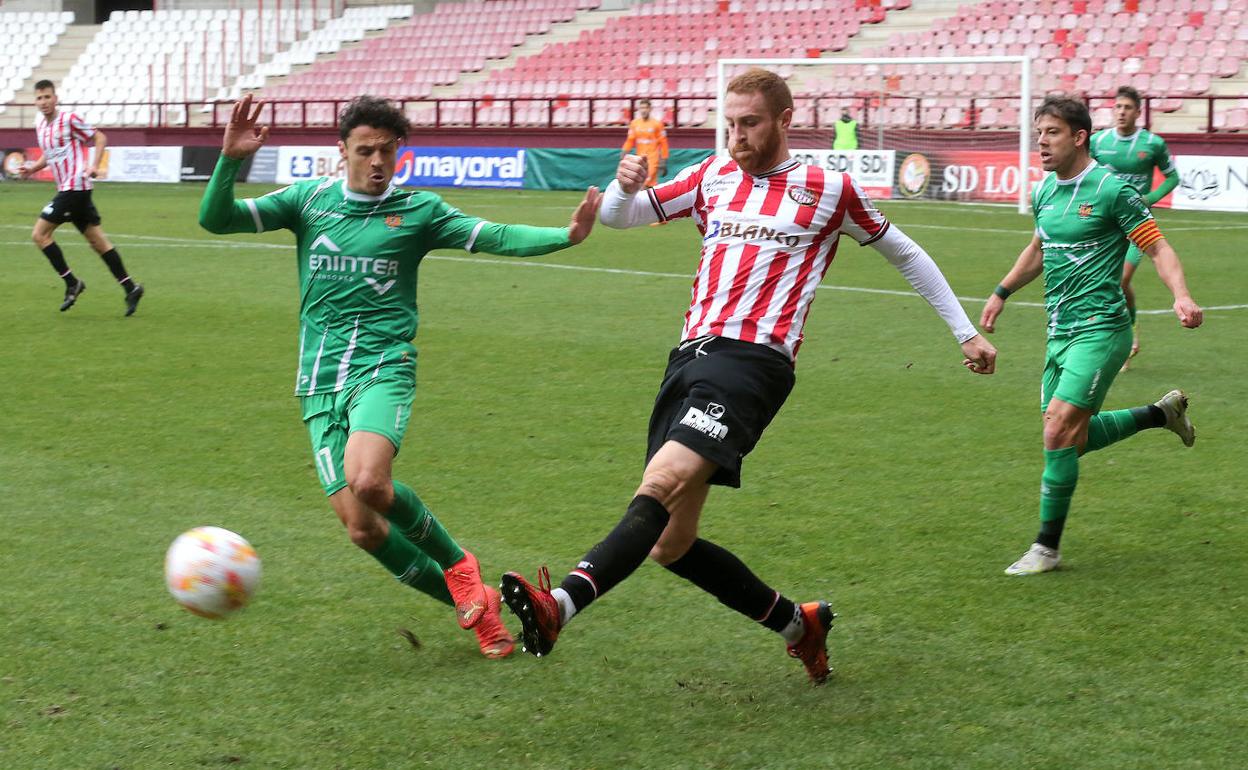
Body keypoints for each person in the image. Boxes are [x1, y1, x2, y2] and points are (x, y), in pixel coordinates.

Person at [500, 68, 997, 684]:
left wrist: (965, 331)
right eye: (730, 123)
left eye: (750, 123)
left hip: (754, 364)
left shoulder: (828, 188)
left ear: (785, 120)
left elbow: (907, 254)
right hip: (689, 358)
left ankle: (560, 605)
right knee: (671, 545)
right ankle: (798, 625)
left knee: (661, 482)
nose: (736, 135)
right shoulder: (711, 176)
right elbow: (622, 218)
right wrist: (624, 189)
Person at [199, 94, 602, 658]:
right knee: (363, 529)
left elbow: (495, 235)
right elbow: (216, 219)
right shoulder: (307, 201)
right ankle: (480, 609)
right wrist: (229, 160)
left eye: (387, 151)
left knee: (369, 481)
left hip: (383, 367)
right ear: (342, 151)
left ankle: (460, 565)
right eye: (365, 150)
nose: (377, 161)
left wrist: (566, 234)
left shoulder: (418, 211)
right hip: (319, 383)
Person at [981, 95, 1202, 577]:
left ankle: (1046, 549)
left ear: (1079, 137)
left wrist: (1181, 295)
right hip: (1059, 332)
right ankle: (1160, 414)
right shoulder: (1044, 192)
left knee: (1057, 430)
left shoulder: (1111, 189)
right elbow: (1038, 249)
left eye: (1052, 133)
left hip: (1102, 330)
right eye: (1039, 133)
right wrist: (1001, 292)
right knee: (1071, 441)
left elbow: (1158, 248)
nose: (1041, 142)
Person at [20, 79, 144, 315]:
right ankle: (131, 288)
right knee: (98, 242)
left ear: (55, 98)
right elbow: (49, 154)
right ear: (35, 101)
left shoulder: (69, 119)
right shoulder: (40, 125)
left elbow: (100, 137)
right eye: (39, 98)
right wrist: (32, 168)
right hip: (71, 190)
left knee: (39, 234)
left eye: (47, 97)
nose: (44, 102)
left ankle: (72, 283)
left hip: (75, 186)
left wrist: (94, 165)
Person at [1089, 85, 1180, 370]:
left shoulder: (1152, 144)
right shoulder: (1098, 141)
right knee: (1108, 283)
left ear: (1138, 112)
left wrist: (1150, 198)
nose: (1121, 112)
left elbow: (1172, 178)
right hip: (1105, 225)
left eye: (1127, 107)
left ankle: (1128, 336)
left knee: (1120, 280)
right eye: (1118, 107)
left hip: (1137, 225)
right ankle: (1114, 336)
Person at [621, 99, 669, 188]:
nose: (643, 110)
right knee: (646, 184)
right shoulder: (635, 123)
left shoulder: (657, 124)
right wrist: (624, 152)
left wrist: (664, 160)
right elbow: (630, 140)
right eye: (642, 108)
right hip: (640, 158)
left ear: (650, 109)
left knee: (645, 182)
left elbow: (663, 143)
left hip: (652, 159)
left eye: (646, 108)